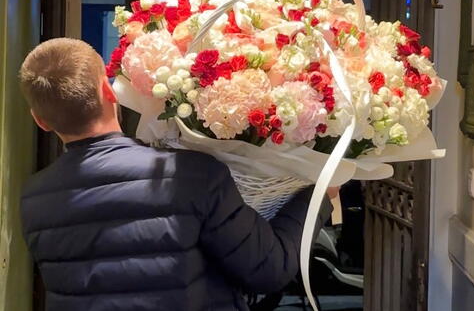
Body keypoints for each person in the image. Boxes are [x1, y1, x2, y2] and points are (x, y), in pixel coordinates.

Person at [19, 38, 335, 311]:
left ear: (40, 120)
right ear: (108, 89)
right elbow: (269, 268)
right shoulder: (190, 175)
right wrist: (320, 195)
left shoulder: (33, 200)